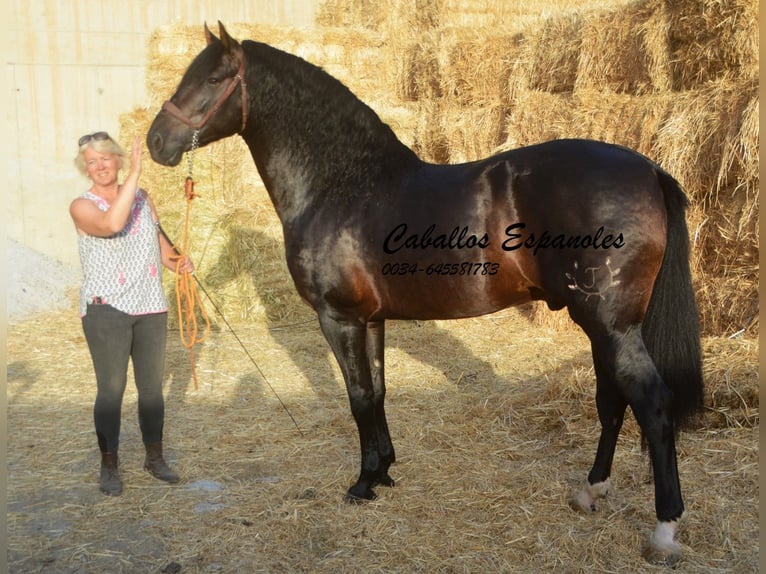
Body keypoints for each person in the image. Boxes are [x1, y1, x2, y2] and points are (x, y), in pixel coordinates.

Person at [70, 131, 193, 496]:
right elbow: (112, 225)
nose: (100, 166)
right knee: (111, 390)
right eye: (92, 161)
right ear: (85, 168)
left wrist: (177, 262)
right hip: (106, 309)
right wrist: (136, 174)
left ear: (118, 159)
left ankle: (154, 458)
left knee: (152, 390)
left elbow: (160, 248)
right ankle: (109, 465)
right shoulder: (82, 206)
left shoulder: (143, 199)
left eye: (106, 157)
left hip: (151, 307)